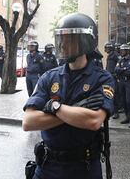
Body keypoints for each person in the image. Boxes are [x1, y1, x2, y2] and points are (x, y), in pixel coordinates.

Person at [22, 12, 115, 179]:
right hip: (47, 167)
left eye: (69, 40)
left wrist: (53, 107)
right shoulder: (49, 77)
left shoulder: (102, 78)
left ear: (86, 42)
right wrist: (77, 110)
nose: (63, 45)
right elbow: (29, 122)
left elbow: (93, 121)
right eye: (61, 39)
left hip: (84, 168)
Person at [114, 44, 130, 128]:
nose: (121, 52)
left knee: (129, 101)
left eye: (123, 50)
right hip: (121, 82)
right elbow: (116, 70)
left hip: (128, 82)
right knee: (123, 101)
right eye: (121, 50)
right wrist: (124, 69)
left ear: (127, 51)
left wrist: (122, 70)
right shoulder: (120, 60)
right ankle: (127, 117)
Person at [104, 42, 121, 119]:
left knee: (115, 95)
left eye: (107, 48)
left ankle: (116, 112)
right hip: (110, 77)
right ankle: (113, 111)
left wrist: (116, 73)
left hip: (114, 77)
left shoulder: (115, 55)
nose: (106, 49)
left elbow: (120, 63)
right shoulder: (110, 55)